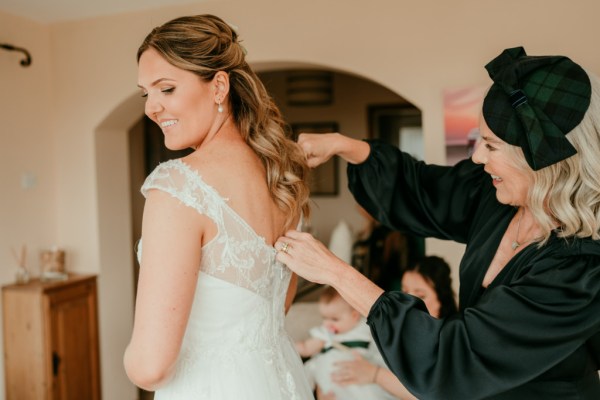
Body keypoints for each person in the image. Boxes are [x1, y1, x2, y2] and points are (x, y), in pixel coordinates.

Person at [276, 46, 600, 399]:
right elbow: (424, 191)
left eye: (491, 147)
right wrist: (345, 146)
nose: (477, 157)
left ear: (541, 161)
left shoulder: (580, 269)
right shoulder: (497, 199)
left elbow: (457, 358)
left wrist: (338, 275)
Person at [123, 14, 313, 399]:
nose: (152, 108)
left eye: (167, 89)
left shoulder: (177, 188)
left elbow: (150, 367)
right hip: (279, 383)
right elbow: (277, 308)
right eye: (147, 93)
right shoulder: (281, 176)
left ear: (219, 86)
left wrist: (130, 357)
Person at [330, 256, 457, 399]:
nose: (410, 303)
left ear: (442, 299)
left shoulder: (450, 342)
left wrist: (374, 374)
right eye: (405, 293)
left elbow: (435, 392)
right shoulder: (388, 326)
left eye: (420, 296)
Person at [295, 286, 399, 400]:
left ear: (354, 316)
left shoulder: (365, 329)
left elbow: (382, 351)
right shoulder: (324, 334)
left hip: (360, 376)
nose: (327, 324)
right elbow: (305, 348)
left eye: (335, 319)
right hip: (328, 372)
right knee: (302, 380)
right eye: (324, 318)